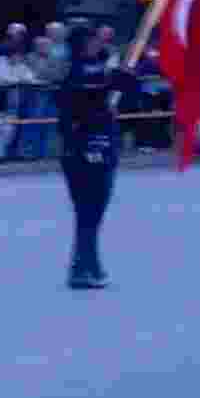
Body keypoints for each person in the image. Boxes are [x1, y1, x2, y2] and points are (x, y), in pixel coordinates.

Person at [54, 20, 141, 290]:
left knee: (93, 213)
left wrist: (126, 80)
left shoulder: (101, 68)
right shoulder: (72, 70)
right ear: (81, 42)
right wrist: (111, 82)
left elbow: (127, 92)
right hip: (82, 146)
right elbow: (84, 91)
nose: (97, 43)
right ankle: (82, 268)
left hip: (104, 143)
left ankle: (88, 265)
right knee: (87, 211)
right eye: (92, 39)